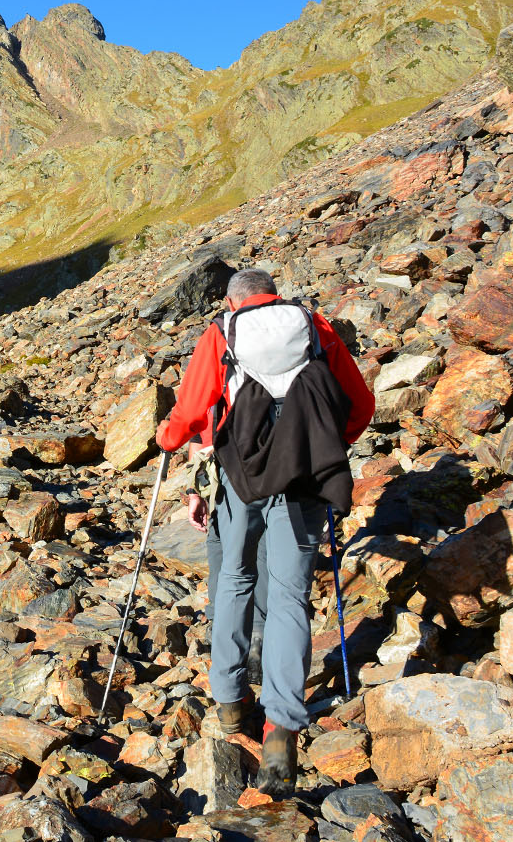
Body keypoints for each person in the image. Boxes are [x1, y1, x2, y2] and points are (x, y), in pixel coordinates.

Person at [155, 268, 372, 794]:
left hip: (241, 476)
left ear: (233, 301)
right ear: (273, 294)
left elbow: (193, 409)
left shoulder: (221, 332)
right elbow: (360, 406)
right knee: (291, 596)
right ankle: (280, 732)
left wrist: (166, 438)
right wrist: (323, 445)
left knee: (234, 577)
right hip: (304, 476)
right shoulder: (314, 325)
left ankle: (231, 702)